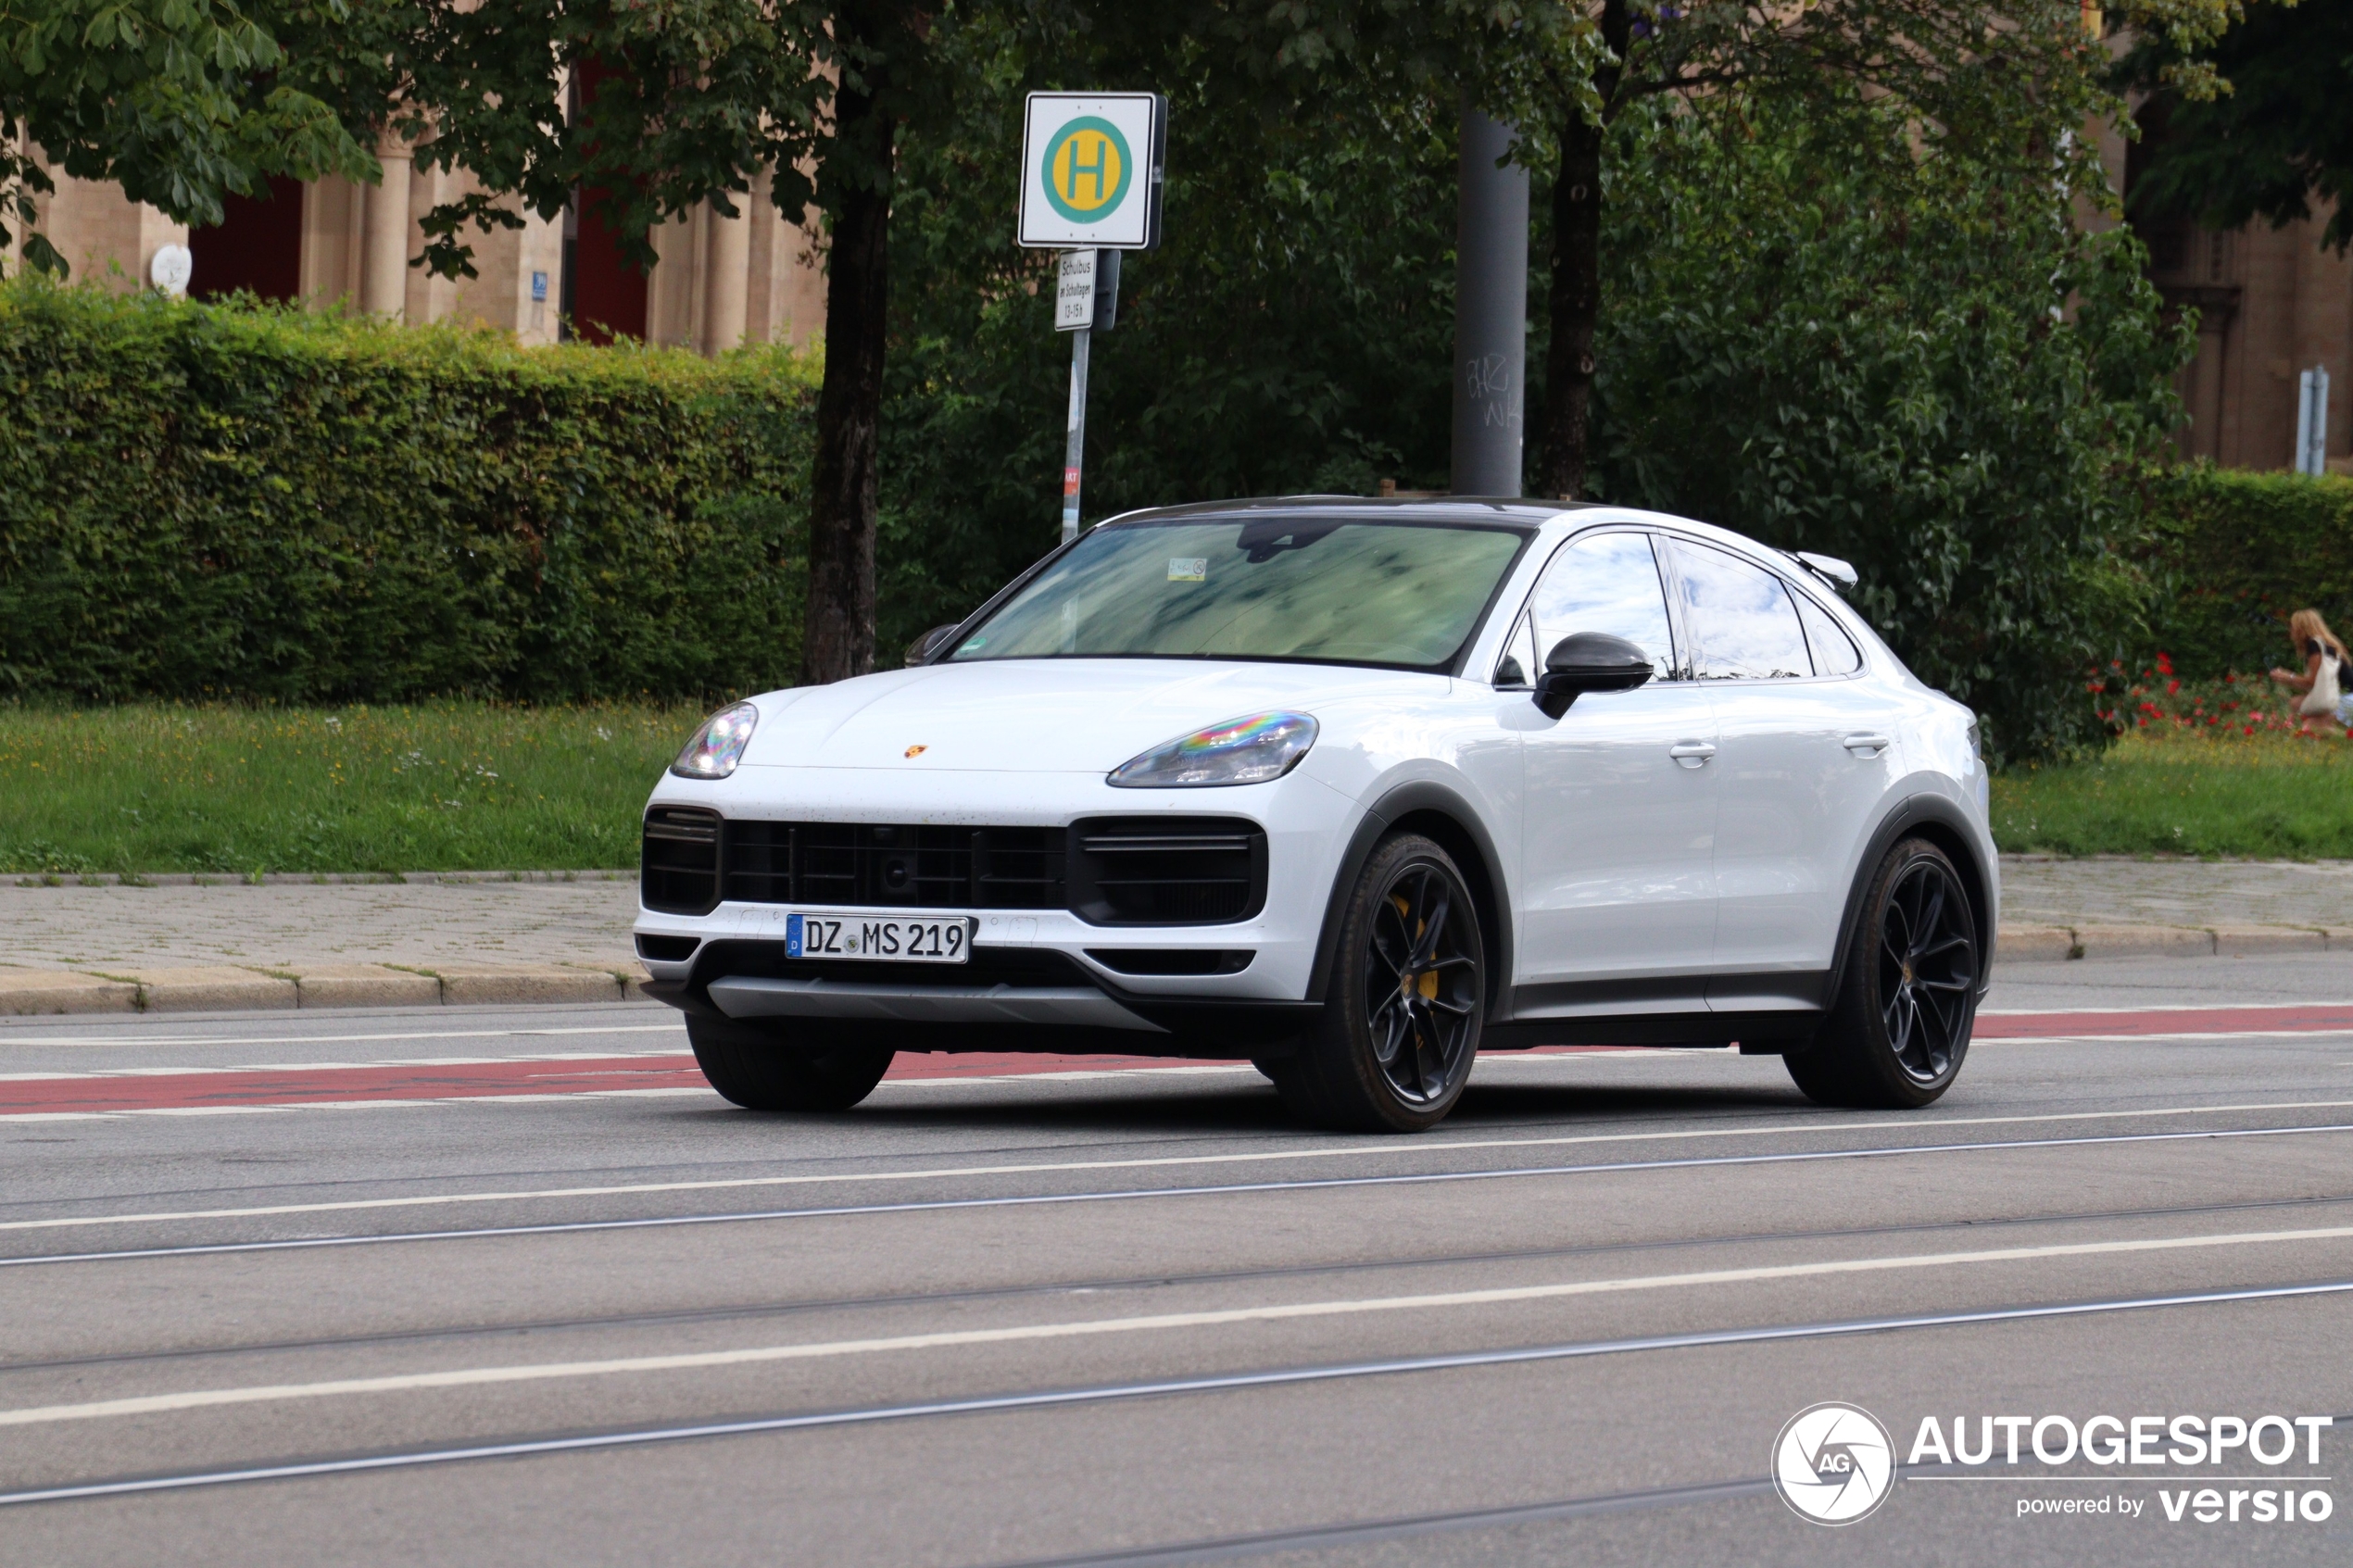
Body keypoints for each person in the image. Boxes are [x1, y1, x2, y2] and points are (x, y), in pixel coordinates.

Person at [2269, 608, 2348, 736]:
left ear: (2301, 628)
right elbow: (2318, 684)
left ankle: (2344, 739)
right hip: (2340, 698)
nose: (2291, 631)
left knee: (2302, 714)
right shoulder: (2329, 645)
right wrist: (2286, 678)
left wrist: (2288, 676)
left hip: (2343, 700)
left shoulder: (2314, 645)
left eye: (2293, 627)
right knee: (2313, 723)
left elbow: (2312, 681)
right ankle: (2343, 739)